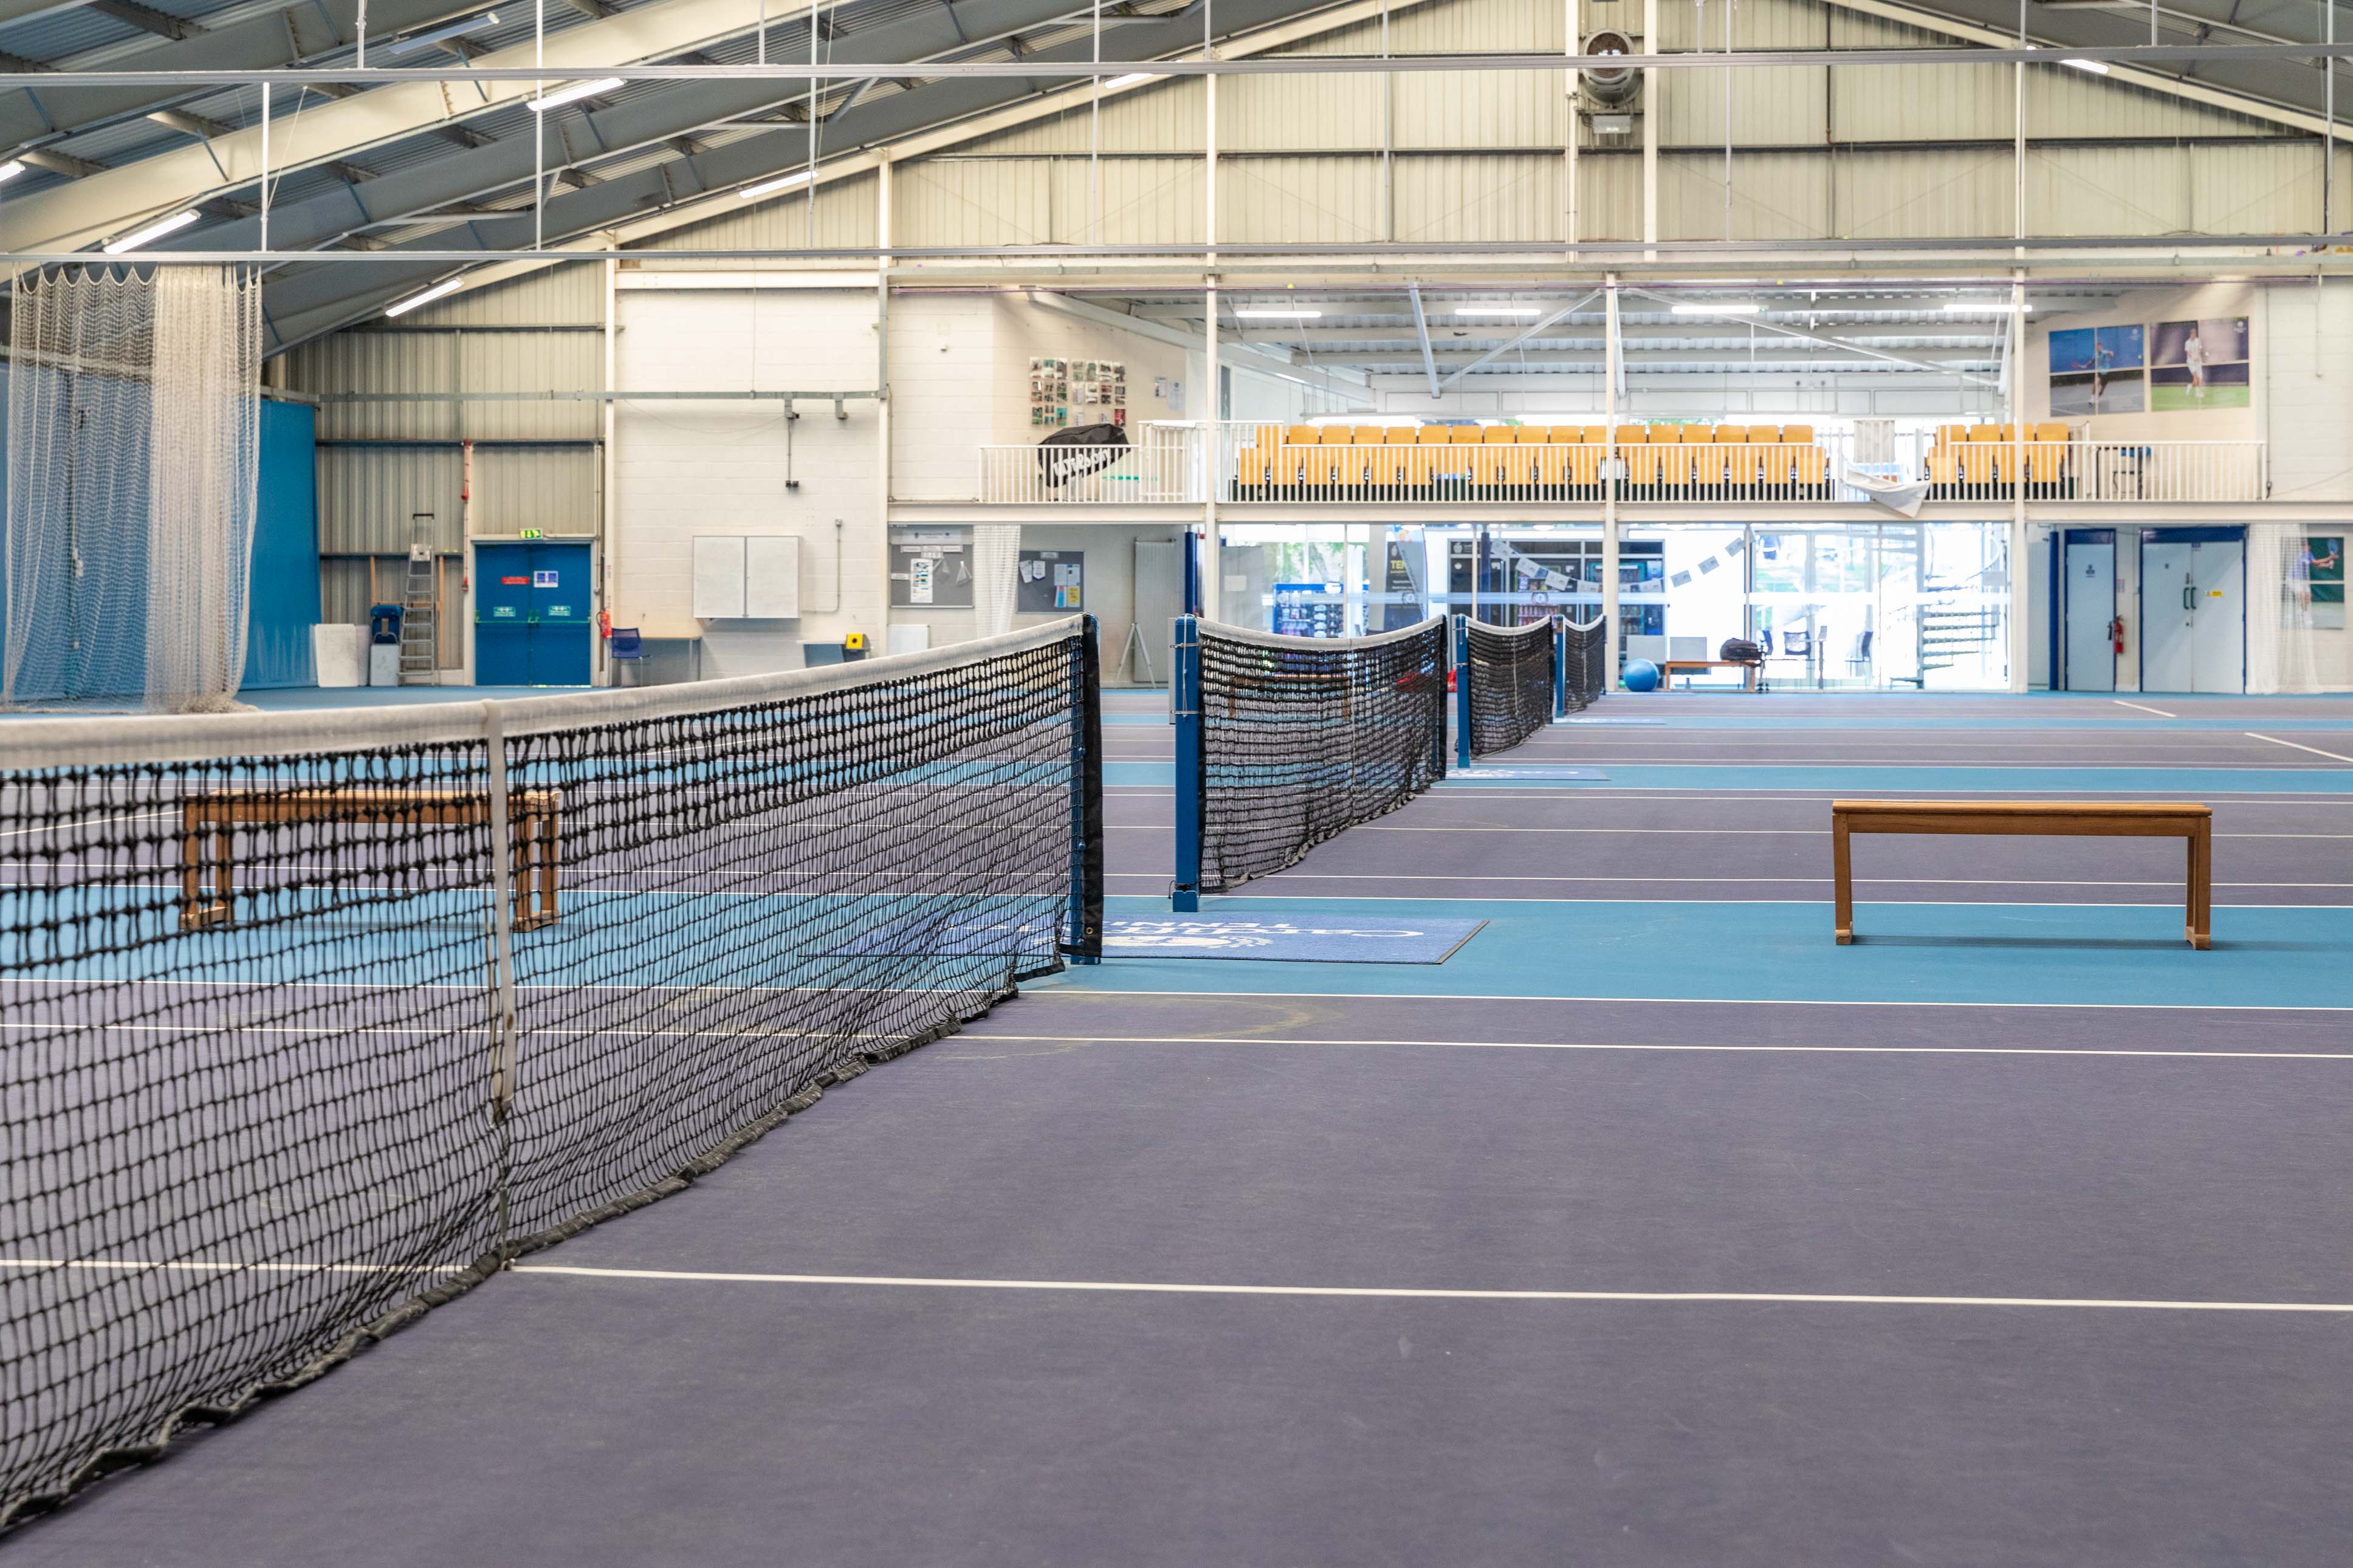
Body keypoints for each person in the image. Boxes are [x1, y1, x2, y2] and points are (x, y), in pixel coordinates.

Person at [2184, 325, 2205, 404]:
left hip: (2198, 362)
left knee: (2199, 379)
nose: (2194, 335)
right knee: (2196, 377)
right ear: (2190, 334)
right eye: (2192, 334)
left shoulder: (2198, 341)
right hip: (2191, 362)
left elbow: (2199, 350)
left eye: (2195, 334)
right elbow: (2188, 353)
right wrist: (2194, 358)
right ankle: (2197, 393)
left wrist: (2198, 357)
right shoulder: (2187, 343)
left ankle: (2190, 386)